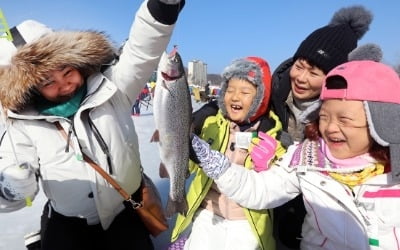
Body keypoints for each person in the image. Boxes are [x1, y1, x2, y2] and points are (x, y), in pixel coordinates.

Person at [0, 0, 184, 249]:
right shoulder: (22, 123)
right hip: (68, 225)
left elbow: (142, 50)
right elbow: (10, 174)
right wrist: (12, 188)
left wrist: (163, 6)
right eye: (47, 82)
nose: (64, 85)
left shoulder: (111, 87)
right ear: (30, 89)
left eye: (67, 72)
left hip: (126, 213)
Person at [190, 5, 374, 249]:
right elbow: (236, 100)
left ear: (332, 77)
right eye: (299, 65)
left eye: (314, 72)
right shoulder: (275, 89)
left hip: (309, 207)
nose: (301, 77)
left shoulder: (337, 112)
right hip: (267, 199)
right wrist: (204, 114)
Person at [171, 56, 286, 250]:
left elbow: (280, 184)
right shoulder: (211, 123)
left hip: (246, 220)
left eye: (245, 92)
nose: (234, 96)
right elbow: (187, 167)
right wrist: (184, 143)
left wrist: (270, 164)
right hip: (208, 212)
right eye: (230, 90)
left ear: (261, 98)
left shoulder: (272, 134)